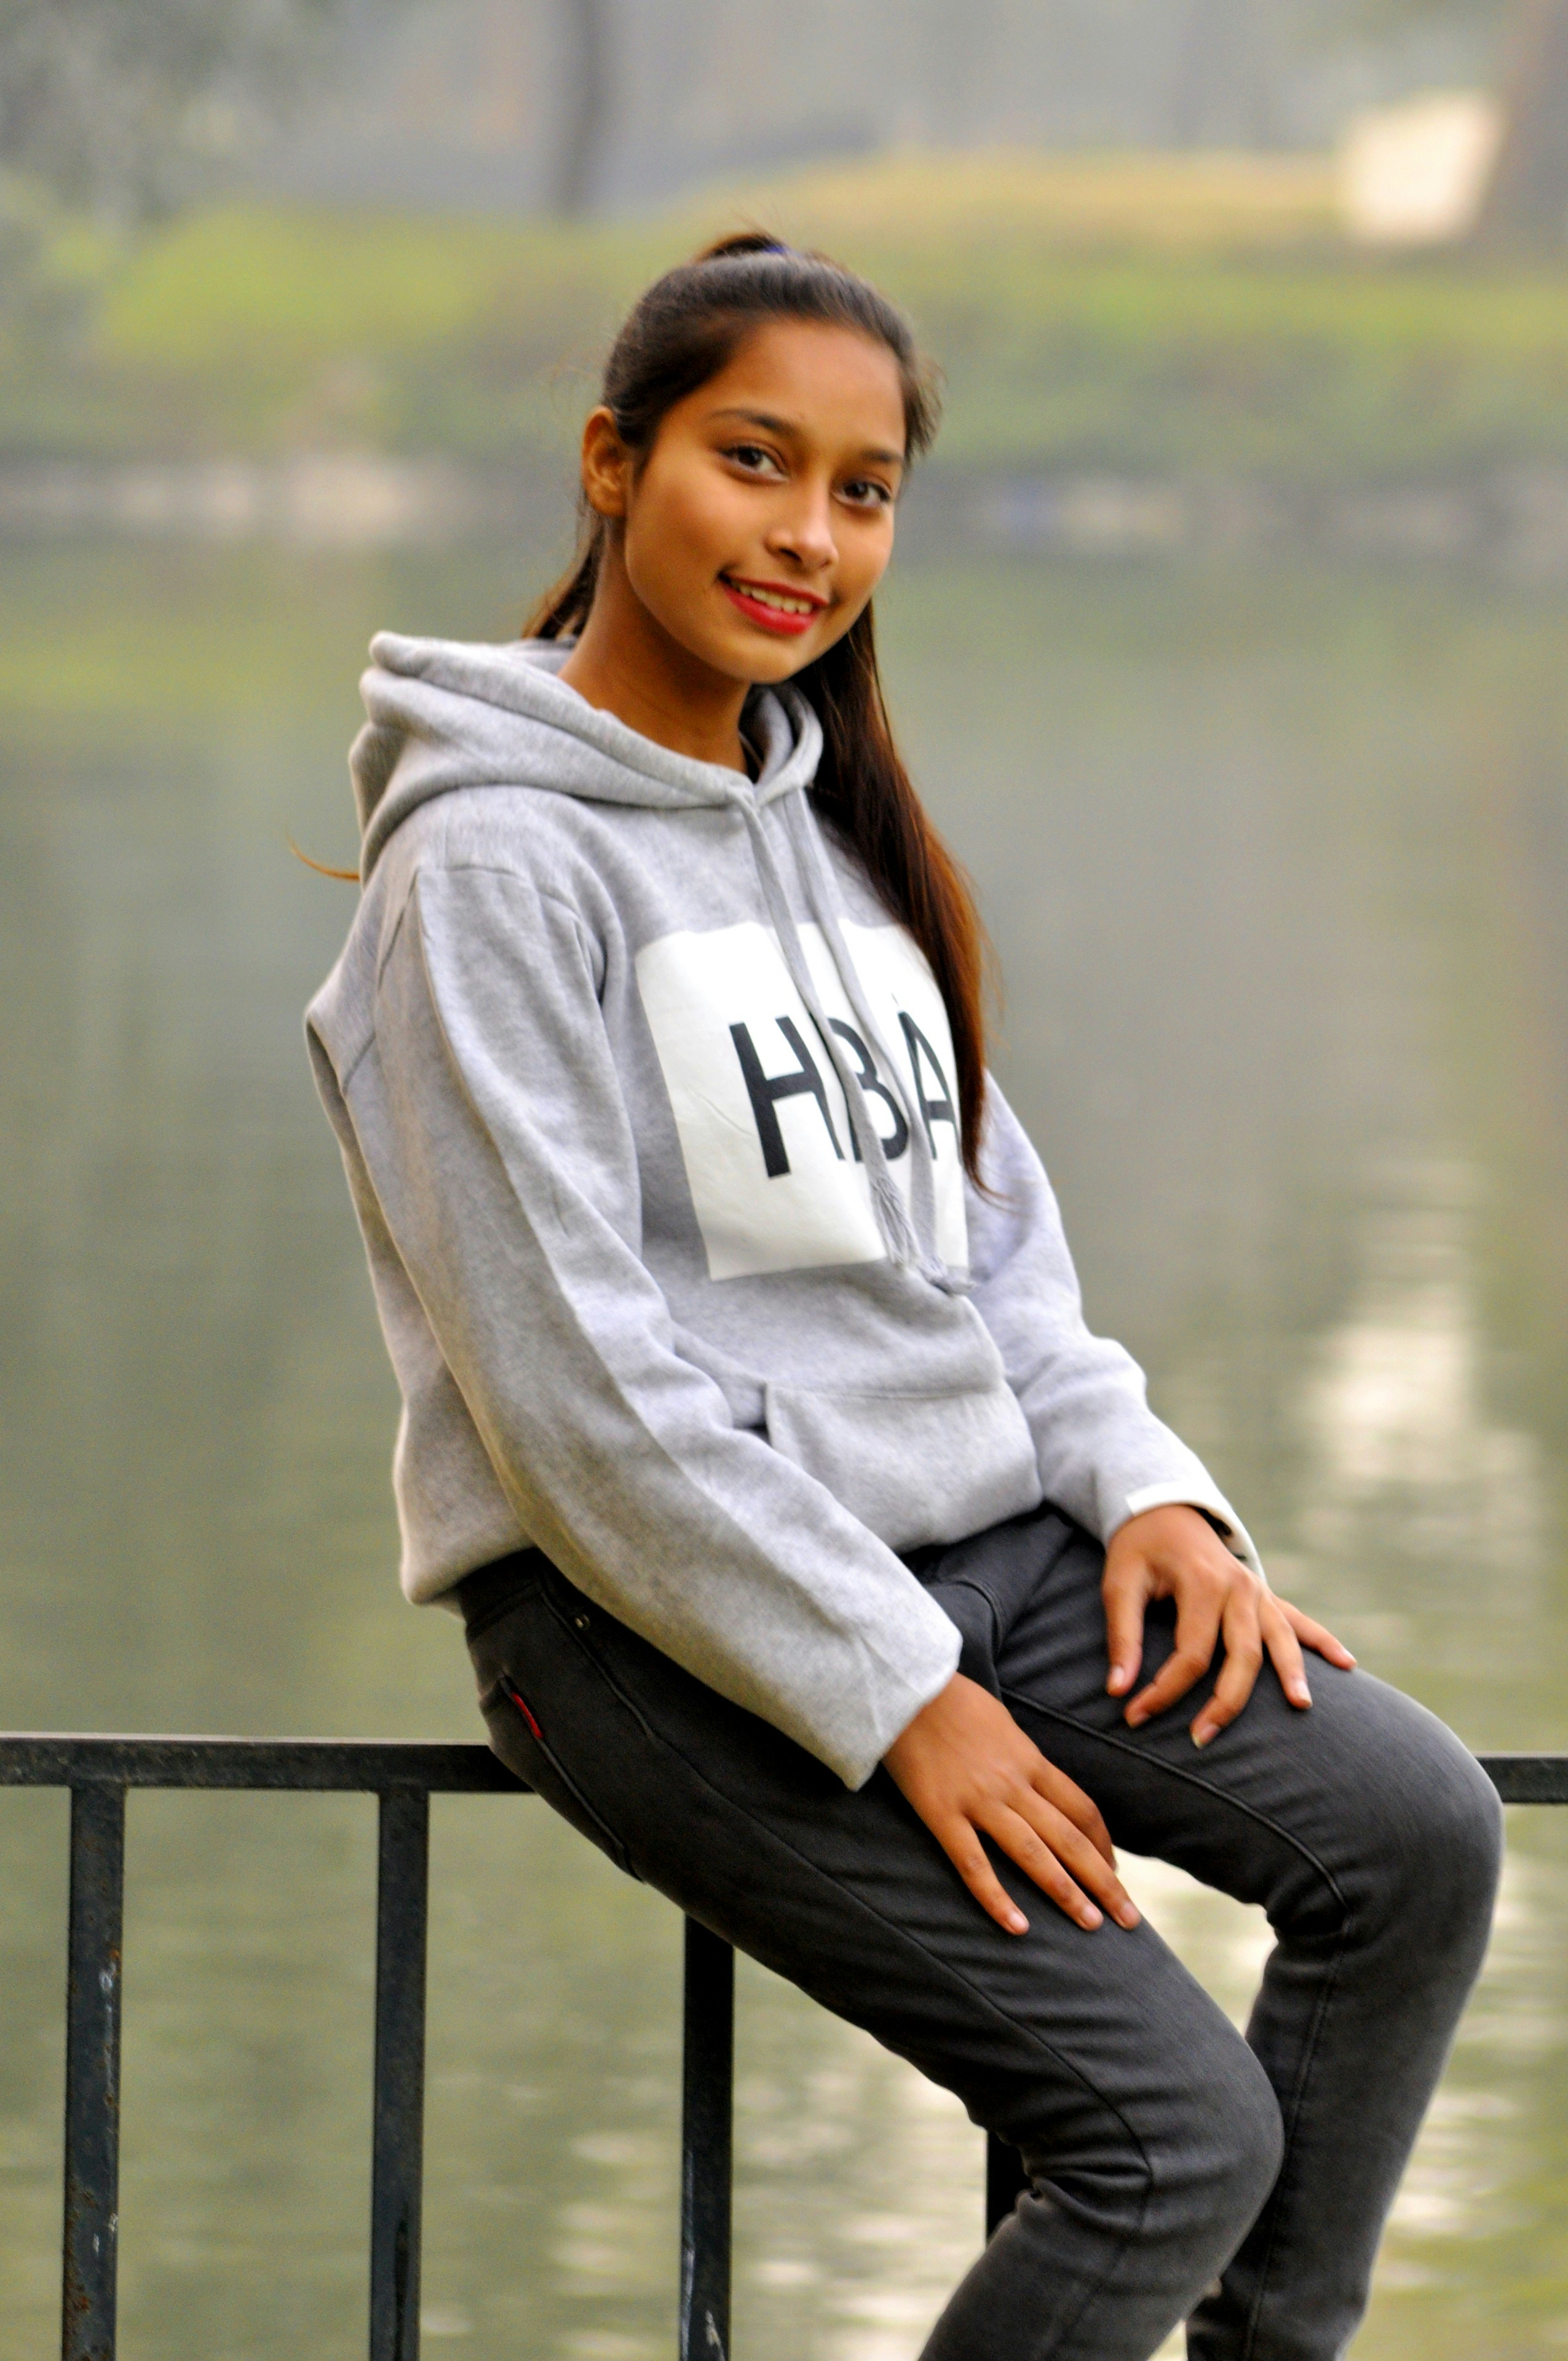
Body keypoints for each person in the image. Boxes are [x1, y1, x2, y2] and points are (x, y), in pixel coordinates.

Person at [305, 234, 1502, 2360]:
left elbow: (997, 1263)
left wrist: (1151, 1497)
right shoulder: (486, 869)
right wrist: (895, 1694)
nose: (807, 534)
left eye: (862, 490)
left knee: (1416, 1835)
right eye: (752, 461)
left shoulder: (839, 843)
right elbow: (573, 1401)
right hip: (650, 1628)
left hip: (982, 1565)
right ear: (614, 462)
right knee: (1167, 2137)